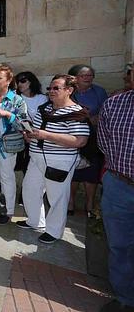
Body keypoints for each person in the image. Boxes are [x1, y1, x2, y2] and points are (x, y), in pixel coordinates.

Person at [17, 75, 90, 244]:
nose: (51, 91)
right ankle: (35, 221)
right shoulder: (45, 109)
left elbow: (80, 140)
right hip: (36, 158)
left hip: (60, 161)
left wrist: (46, 135)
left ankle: (54, 231)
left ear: (69, 90)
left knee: (57, 197)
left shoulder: (76, 112)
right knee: (30, 190)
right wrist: (30, 136)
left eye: (56, 88)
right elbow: (37, 132)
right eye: (50, 88)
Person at [97, 69, 134, 312]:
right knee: (119, 245)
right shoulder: (115, 104)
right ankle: (125, 299)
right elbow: (104, 141)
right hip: (119, 184)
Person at [0, 64, 27, 225]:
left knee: (7, 176)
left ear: (8, 81)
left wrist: (7, 114)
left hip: (7, 145)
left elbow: (24, 124)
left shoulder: (17, 100)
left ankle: (7, 211)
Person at [67, 64, 108, 217]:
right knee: (73, 171)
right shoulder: (68, 92)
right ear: (74, 78)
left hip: (92, 138)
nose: (88, 78)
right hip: (71, 137)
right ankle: (70, 201)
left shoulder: (99, 92)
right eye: (84, 75)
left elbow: (106, 112)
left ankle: (89, 203)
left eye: (90, 75)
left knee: (91, 171)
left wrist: (93, 119)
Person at [15, 71, 48, 179]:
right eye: (18, 81)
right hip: (23, 136)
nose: (20, 84)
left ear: (31, 82)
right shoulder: (16, 98)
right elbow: (20, 119)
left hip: (39, 136)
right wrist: (25, 132)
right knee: (24, 167)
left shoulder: (42, 98)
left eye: (23, 81)